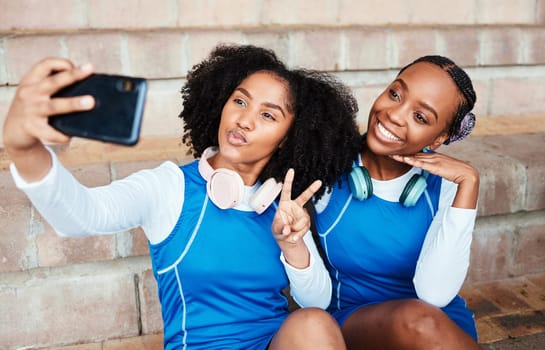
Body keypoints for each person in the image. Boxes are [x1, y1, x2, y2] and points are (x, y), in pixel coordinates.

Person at [3, 44, 362, 349]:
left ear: (288, 137)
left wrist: (293, 244)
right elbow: (81, 216)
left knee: (314, 323)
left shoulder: (281, 205)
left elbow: (318, 302)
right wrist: (25, 149)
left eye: (268, 114)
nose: (244, 120)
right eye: (240, 101)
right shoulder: (169, 187)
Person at [313, 55, 481, 349]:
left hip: (436, 324)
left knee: (422, 320)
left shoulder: (448, 184)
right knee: (417, 321)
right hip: (355, 323)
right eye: (395, 94)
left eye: (420, 117)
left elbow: (436, 294)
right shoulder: (327, 165)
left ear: (440, 137)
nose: (394, 115)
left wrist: (469, 184)